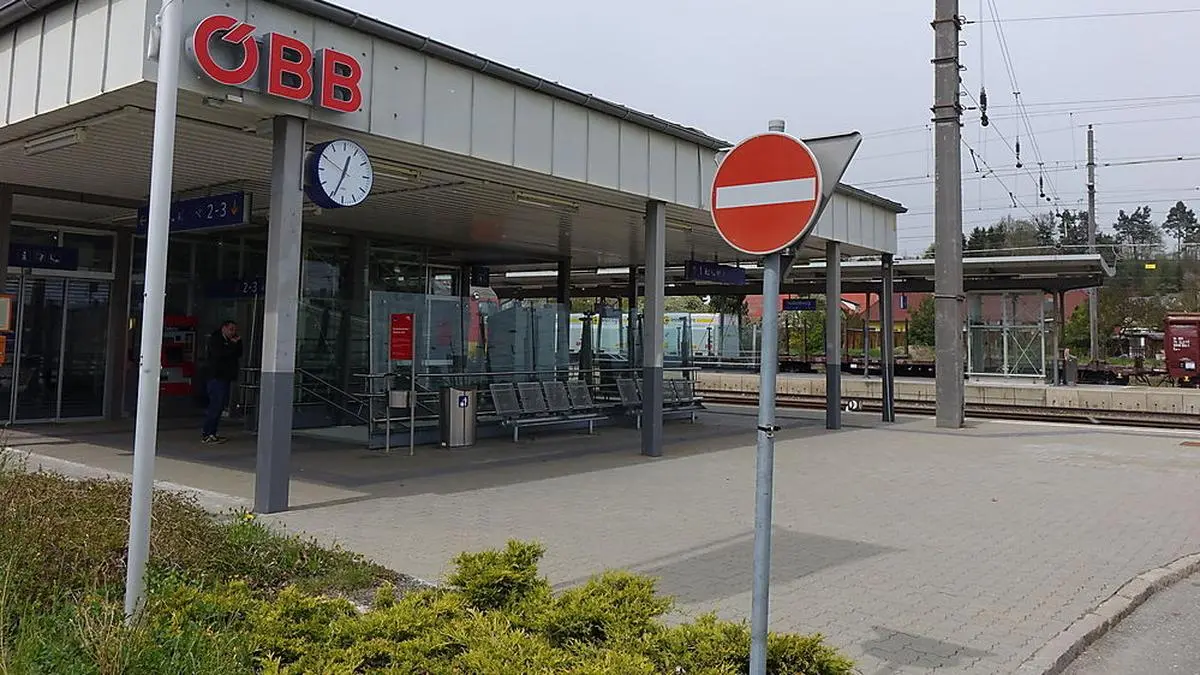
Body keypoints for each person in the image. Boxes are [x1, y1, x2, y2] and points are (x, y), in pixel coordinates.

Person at [202, 320, 242, 444]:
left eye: (234, 330)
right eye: (231, 329)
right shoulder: (216, 340)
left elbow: (238, 353)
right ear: (224, 328)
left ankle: (212, 432)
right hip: (216, 377)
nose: (233, 332)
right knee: (215, 405)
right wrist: (232, 344)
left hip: (226, 377)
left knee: (220, 405)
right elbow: (220, 354)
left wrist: (237, 343)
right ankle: (207, 433)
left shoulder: (232, 340)